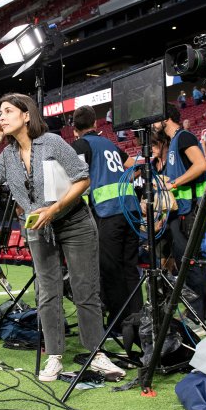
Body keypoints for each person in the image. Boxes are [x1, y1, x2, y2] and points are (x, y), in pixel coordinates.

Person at [0, 94, 125, 382]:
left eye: (8, 111)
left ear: (26, 115)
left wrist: (55, 209)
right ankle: (54, 355)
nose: (1, 117)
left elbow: (83, 178)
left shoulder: (52, 142)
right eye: (0, 112)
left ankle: (96, 353)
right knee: (47, 293)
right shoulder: (7, 155)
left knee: (84, 289)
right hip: (38, 228)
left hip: (74, 222)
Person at [71, 106, 141, 347]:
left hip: (108, 212)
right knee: (130, 267)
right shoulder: (109, 144)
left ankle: (120, 323)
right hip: (130, 208)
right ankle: (137, 320)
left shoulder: (81, 145)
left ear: (75, 129)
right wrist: (118, 182)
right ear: (95, 124)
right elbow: (134, 167)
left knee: (110, 269)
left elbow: (76, 178)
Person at [156, 103, 206, 325]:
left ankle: (198, 316)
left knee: (190, 262)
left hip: (191, 209)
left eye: (156, 119)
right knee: (189, 262)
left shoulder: (184, 137)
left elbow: (201, 165)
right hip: (183, 210)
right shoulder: (174, 142)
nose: (153, 124)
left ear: (166, 118)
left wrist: (174, 183)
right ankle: (200, 315)